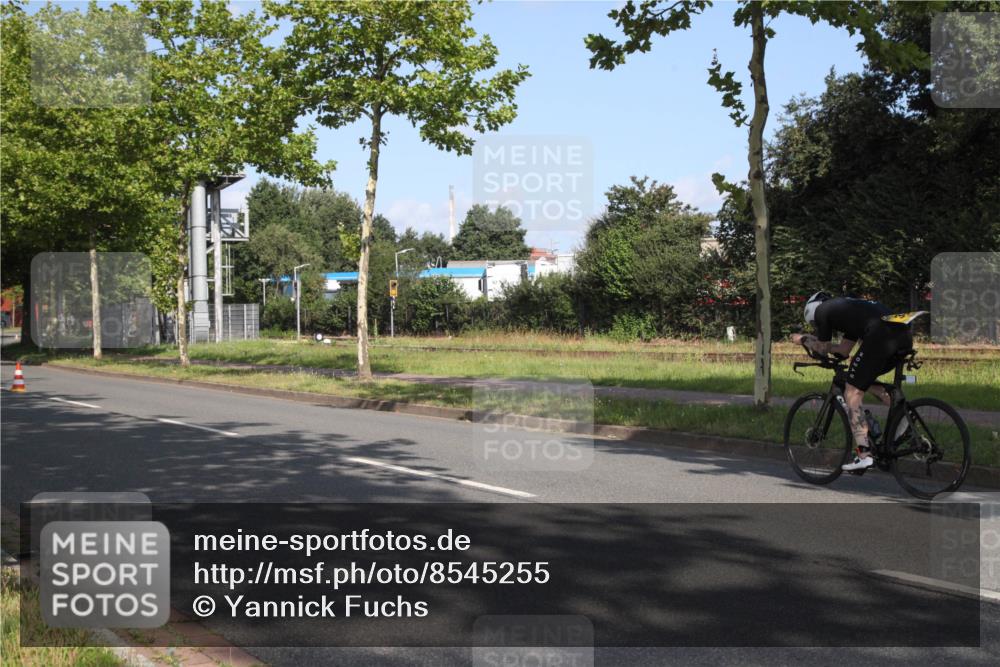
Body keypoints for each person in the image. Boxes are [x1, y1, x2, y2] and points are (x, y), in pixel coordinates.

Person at [791, 292, 913, 472]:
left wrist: (803, 339)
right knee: (863, 380)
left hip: (880, 335)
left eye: (815, 325)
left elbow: (822, 349)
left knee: (852, 391)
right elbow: (843, 350)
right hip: (903, 335)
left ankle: (864, 455)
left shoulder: (822, 311)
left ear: (812, 311)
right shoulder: (849, 310)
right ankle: (905, 425)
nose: (818, 326)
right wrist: (826, 347)